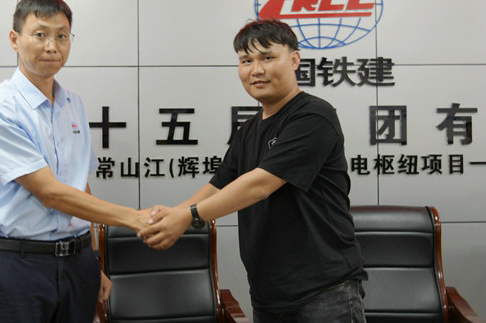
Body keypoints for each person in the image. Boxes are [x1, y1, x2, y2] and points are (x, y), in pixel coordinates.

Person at [138, 19, 367, 322]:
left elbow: (260, 185)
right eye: (246, 60)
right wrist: (171, 215)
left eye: (267, 57)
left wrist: (188, 216)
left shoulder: (313, 115)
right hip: (268, 293)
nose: (256, 70)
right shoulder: (248, 129)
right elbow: (219, 185)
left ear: (294, 59)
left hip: (325, 291)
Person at [0, 0, 149, 323]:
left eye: (62, 36)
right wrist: (134, 218)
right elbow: (50, 193)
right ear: (14, 39)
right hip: (19, 266)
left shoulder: (73, 104)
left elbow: (80, 185)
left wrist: (94, 259)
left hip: (78, 263)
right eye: (40, 34)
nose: (52, 46)